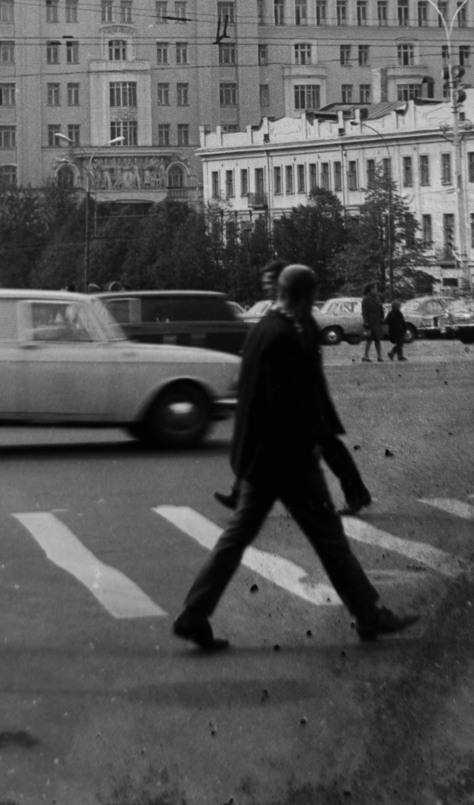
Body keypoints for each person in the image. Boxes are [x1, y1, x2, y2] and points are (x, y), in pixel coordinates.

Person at [173, 263, 419, 651]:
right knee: (328, 537)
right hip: (288, 458)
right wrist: (312, 445)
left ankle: (194, 612)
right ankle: (369, 614)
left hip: (262, 457)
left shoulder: (268, 327)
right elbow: (285, 405)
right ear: (306, 296)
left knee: (238, 536)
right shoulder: (285, 336)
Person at [215, 261, 372, 516]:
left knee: (321, 450)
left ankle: (352, 494)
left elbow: (303, 360)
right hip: (307, 400)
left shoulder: (298, 317)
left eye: (269, 281)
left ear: (282, 284)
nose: (265, 285)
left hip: (306, 400)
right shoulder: (286, 313)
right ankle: (240, 495)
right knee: (325, 449)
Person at [361, 284, 385, 362]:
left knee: (377, 340)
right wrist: (366, 322)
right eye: (374, 289)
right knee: (369, 339)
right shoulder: (366, 300)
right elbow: (364, 312)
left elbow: (381, 309)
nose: (375, 291)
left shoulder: (378, 298)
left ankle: (379, 356)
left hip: (377, 322)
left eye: (376, 289)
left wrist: (382, 318)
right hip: (370, 323)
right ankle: (365, 355)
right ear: (369, 290)